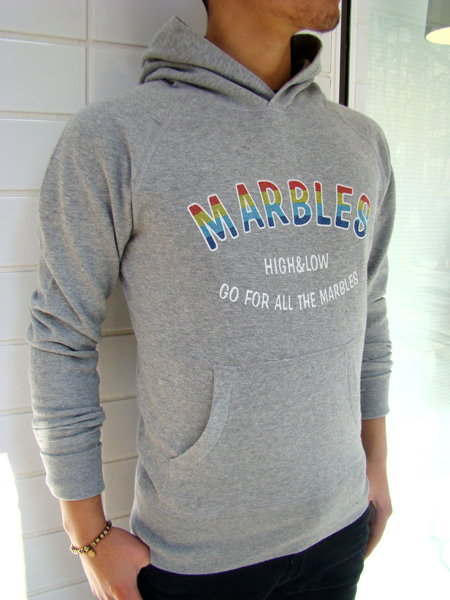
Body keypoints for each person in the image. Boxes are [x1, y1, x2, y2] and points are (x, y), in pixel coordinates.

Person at [28, 0, 395, 598]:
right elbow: (61, 335)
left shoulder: (361, 142)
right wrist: (87, 534)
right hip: (196, 560)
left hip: (340, 529)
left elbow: (369, 310)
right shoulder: (119, 138)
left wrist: (375, 462)